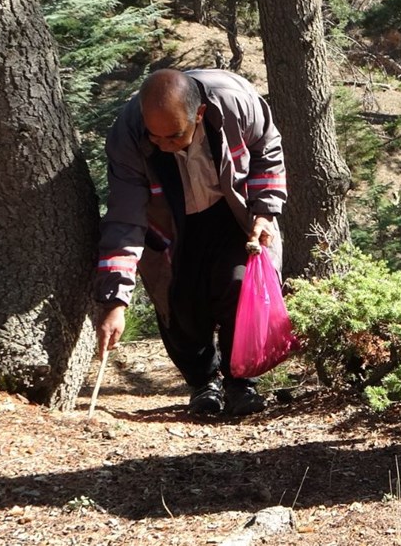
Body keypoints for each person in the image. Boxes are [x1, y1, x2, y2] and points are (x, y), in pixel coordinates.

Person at [94, 68, 287, 416]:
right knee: (179, 301)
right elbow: (125, 219)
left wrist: (265, 211)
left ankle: (240, 382)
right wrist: (115, 300)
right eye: (156, 138)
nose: (163, 145)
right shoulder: (128, 135)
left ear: (199, 115)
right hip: (171, 223)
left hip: (233, 211)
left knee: (238, 287)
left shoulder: (237, 102)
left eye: (173, 136)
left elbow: (267, 148)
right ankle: (203, 384)